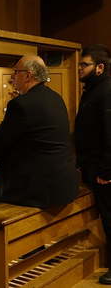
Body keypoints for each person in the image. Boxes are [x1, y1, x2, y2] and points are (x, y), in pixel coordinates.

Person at [0, 55, 78, 209]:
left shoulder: (20, 104)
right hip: (63, 182)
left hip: (39, 189)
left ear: (28, 75)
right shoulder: (56, 98)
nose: (12, 77)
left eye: (16, 72)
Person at [74, 44, 111, 285]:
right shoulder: (94, 89)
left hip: (103, 169)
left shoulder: (106, 91)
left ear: (99, 67)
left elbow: (110, 134)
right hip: (94, 166)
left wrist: (107, 171)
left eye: (83, 65)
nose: (79, 69)